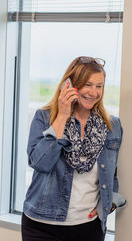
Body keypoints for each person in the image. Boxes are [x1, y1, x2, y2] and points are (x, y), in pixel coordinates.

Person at [21, 56, 126, 241]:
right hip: (42, 226)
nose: (94, 92)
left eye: (99, 86)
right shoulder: (45, 117)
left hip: (89, 227)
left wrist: (108, 204)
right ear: (70, 85)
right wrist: (62, 116)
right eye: (87, 84)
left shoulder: (112, 126)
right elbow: (39, 163)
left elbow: (113, 173)